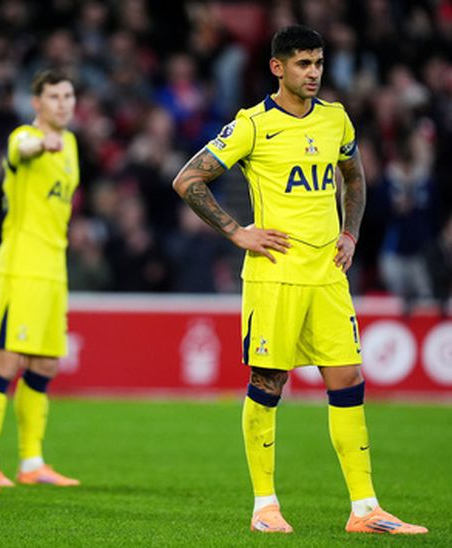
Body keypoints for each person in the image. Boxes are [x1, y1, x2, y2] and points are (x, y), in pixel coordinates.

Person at [172, 25, 427, 535]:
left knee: (349, 381)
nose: (313, 73)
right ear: (278, 68)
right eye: (303, 64)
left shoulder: (336, 120)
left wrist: (350, 234)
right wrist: (237, 232)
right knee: (269, 383)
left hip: (328, 276)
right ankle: (265, 507)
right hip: (275, 277)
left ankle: (365, 509)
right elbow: (188, 179)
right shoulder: (252, 125)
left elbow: (354, 178)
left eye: (318, 63)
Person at [0, 69, 80, 488]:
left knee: (46, 363)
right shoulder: (23, 137)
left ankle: (31, 462)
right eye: (54, 97)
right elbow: (24, 150)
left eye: (68, 96)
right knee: (5, 360)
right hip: (20, 266)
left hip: (54, 268)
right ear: (37, 103)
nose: (63, 103)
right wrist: (40, 143)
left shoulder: (70, 144)